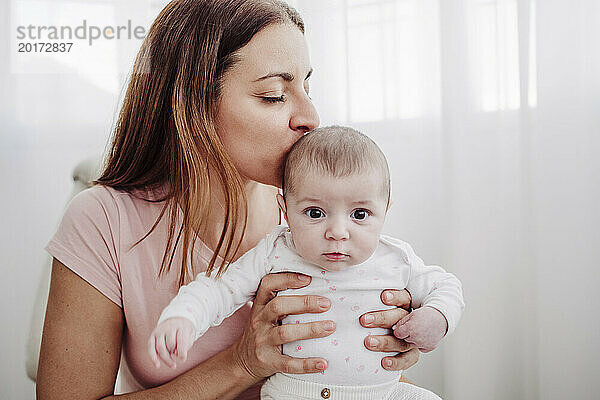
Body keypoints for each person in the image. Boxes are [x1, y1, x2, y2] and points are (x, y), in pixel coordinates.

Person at [37, 1, 422, 399]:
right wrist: (243, 363)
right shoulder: (103, 220)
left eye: (306, 87)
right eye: (274, 95)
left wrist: (388, 354)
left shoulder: (321, 214)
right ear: (194, 104)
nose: (310, 116)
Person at [149, 126, 465, 400]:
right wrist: (183, 317)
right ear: (285, 209)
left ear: (385, 211)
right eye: (315, 213)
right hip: (294, 393)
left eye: (360, 214)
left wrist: (438, 317)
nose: (338, 232)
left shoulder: (396, 257)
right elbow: (219, 288)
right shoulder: (276, 251)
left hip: (386, 392)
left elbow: (446, 286)